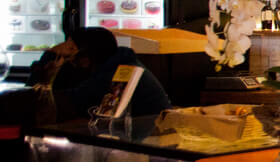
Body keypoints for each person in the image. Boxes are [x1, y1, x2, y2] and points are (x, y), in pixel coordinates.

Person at [22, 27, 171, 123]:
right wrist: (47, 69)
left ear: (87, 56)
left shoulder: (116, 74)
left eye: (71, 48)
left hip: (150, 144)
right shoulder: (113, 63)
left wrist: (49, 55)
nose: (65, 53)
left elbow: (59, 104)